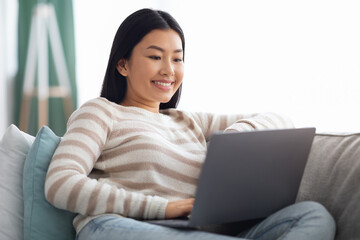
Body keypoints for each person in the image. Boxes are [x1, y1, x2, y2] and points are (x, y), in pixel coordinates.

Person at [44, 8, 336, 240]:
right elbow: (60, 183)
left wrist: (232, 138)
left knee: (313, 215)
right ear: (123, 65)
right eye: (155, 57)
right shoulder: (101, 112)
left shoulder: (187, 120)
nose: (169, 70)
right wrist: (164, 208)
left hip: (197, 231)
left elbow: (279, 119)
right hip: (118, 227)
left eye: (177, 59)